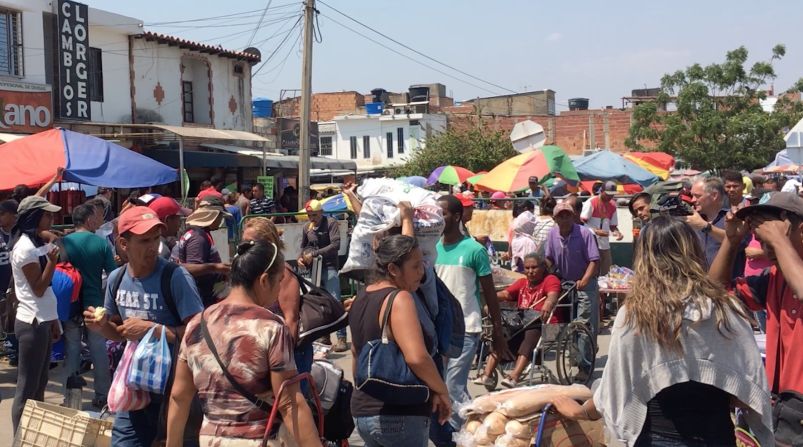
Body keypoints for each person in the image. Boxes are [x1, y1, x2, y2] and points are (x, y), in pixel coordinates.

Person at [553, 216, 772, 446]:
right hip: (717, 436)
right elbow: (748, 389)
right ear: (695, 253)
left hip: (655, 437)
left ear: (643, 259)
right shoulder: (725, 310)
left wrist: (579, 412)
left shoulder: (635, 316)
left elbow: (614, 388)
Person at [166, 240, 320, 447]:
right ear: (264, 280)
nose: (278, 291)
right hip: (261, 439)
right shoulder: (271, 327)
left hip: (212, 440)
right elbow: (289, 404)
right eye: (279, 281)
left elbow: (179, 396)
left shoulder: (197, 324)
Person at [83, 206, 204, 447]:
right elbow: (120, 335)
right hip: (135, 390)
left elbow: (200, 334)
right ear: (123, 244)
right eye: (145, 240)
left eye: (156, 238)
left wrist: (153, 329)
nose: (154, 247)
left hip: (175, 393)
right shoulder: (116, 280)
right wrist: (102, 326)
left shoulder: (175, 277)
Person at [709, 192, 803, 442]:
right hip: (782, 402)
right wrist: (731, 241)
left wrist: (780, 243)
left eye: (772, 239)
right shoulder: (774, 277)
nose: (766, 249)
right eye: (762, 241)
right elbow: (714, 292)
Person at [350, 235, 451, 447]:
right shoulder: (399, 298)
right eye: (415, 267)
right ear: (394, 269)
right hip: (399, 415)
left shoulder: (361, 297)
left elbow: (356, 355)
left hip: (363, 412)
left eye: (422, 265)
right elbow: (417, 358)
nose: (421, 273)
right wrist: (441, 390)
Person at [435, 195, 510, 434]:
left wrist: (498, 333)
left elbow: (489, 294)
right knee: (443, 386)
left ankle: (469, 434)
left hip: (467, 328)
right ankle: (473, 426)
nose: (438, 217)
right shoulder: (431, 249)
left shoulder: (475, 250)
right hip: (439, 330)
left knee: (454, 386)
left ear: (457, 216)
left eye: (443, 213)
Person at [9, 196, 62, 433]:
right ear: (34, 217)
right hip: (32, 322)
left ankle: (32, 434)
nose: (52, 219)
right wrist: (52, 262)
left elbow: (44, 293)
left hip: (41, 320)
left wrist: (53, 320)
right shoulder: (24, 249)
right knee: (27, 387)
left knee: (39, 384)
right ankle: (20, 437)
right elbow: (39, 288)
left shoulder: (31, 244)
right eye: (47, 215)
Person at [475, 253, 561, 388]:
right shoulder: (522, 282)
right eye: (527, 268)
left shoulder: (550, 280)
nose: (530, 271)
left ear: (543, 268)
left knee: (531, 333)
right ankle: (486, 375)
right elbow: (506, 294)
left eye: (534, 267)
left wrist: (548, 303)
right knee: (501, 335)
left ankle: (514, 376)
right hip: (522, 323)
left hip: (548, 326)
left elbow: (552, 295)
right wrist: (491, 299)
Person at [61, 204, 117, 409]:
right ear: (88, 220)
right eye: (95, 217)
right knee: (98, 350)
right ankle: (102, 395)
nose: (97, 221)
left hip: (70, 305)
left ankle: (70, 397)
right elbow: (113, 274)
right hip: (95, 306)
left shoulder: (63, 242)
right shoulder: (101, 243)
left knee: (72, 349)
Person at [241, 218, 310, 377]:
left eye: (250, 243)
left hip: (289, 354)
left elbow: (291, 320)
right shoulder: (257, 271)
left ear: (267, 243)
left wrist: (284, 363)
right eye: (243, 243)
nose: (244, 248)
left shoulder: (283, 274)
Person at [544, 202, 599, 380]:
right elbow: (549, 259)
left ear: (573, 216)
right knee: (568, 325)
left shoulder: (584, 234)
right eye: (561, 216)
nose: (565, 218)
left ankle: (585, 367)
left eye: (568, 215)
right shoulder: (552, 234)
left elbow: (594, 260)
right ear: (555, 219)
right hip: (566, 284)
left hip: (585, 283)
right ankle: (577, 357)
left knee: (583, 325)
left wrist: (585, 279)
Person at [298, 199, 345, 351]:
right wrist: (302, 256)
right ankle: (325, 336)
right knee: (320, 302)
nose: (312, 218)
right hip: (315, 269)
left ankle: (341, 337)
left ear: (321, 213)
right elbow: (304, 246)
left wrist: (315, 253)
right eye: (310, 215)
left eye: (315, 215)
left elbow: (336, 245)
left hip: (329, 266)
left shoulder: (330, 223)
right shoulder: (307, 228)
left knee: (335, 300)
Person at [176, 197, 232, 307]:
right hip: (201, 299)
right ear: (213, 216)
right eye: (220, 216)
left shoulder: (198, 232)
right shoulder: (198, 238)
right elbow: (190, 269)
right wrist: (215, 267)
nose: (221, 220)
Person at [685, 176, 732, 270]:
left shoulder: (732, 218)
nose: (693, 200)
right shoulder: (693, 220)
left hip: (726, 282)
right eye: (692, 195)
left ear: (714, 195)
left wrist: (705, 226)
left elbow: (736, 241)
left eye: (698, 196)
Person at [580, 181, 622, 276]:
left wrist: (618, 233)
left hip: (604, 245)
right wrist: (595, 231)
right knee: (593, 272)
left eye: (612, 195)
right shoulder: (591, 202)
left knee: (606, 272)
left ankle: (604, 290)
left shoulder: (613, 205)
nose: (610, 197)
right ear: (601, 191)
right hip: (591, 244)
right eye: (608, 194)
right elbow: (581, 222)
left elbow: (613, 226)